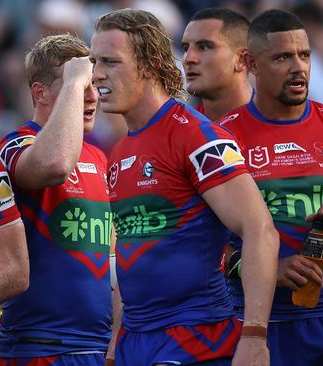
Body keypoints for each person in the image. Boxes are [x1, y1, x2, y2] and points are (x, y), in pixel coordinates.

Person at [90, 9, 279, 366]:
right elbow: (129, 256)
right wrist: (115, 346)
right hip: (135, 344)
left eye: (110, 62)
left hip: (197, 341)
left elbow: (260, 229)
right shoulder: (118, 152)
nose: (97, 74)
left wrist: (255, 336)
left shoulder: (195, 135)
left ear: (148, 64)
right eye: (94, 61)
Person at [218, 9, 323, 366]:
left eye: (304, 55)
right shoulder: (221, 139)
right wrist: (266, 270)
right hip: (255, 327)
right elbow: (197, 247)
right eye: (282, 57)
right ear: (251, 63)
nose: (299, 67)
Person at [0, 34, 112, 366]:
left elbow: (114, 256)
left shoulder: (100, 158)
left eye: (93, 85)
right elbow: (56, 164)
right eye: (79, 86)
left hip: (98, 345)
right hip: (39, 345)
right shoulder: (15, 146)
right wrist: (74, 83)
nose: (91, 97)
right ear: (39, 93)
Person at [181, 7, 252, 121]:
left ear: (241, 59)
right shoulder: (177, 130)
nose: (188, 58)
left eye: (204, 47)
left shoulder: (284, 119)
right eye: (185, 48)